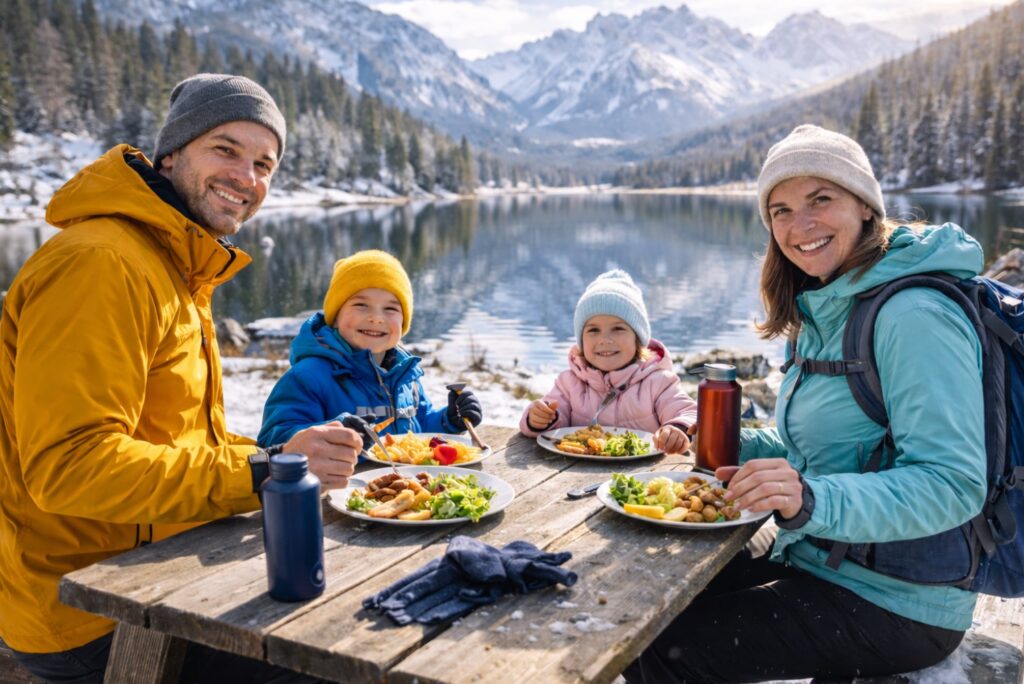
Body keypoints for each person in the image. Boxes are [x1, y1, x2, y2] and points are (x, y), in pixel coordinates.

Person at [0, 74, 363, 683]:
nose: (246, 178)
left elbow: (178, 440)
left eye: (263, 163)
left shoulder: (173, 263)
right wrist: (263, 473)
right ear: (172, 153)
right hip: (87, 610)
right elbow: (70, 467)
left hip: (157, 565)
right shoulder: (101, 264)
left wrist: (286, 456)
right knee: (341, 660)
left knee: (363, 600)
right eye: (226, 150)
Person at [624, 124, 987, 682]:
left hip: (901, 600)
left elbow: (953, 483)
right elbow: (818, 445)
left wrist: (810, 498)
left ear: (866, 206)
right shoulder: (826, 305)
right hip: (820, 554)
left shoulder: (913, 316)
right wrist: (727, 442)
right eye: (781, 210)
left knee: (670, 647)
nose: (801, 226)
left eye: (822, 199)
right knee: (652, 590)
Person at [258, 249, 483, 449]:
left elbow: (420, 428)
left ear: (404, 322)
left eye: (390, 309)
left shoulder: (404, 376)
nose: (376, 318)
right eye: (361, 305)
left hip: (401, 490)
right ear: (335, 317)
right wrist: (334, 433)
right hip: (335, 491)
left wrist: (449, 421)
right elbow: (273, 441)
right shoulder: (307, 377)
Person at [519, 269, 696, 454]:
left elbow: (688, 412)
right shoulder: (569, 383)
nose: (604, 339)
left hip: (641, 475)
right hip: (573, 473)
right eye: (593, 330)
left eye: (618, 328)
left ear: (638, 339)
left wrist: (678, 429)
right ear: (581, 341)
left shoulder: (659, 382)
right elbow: (551, 423)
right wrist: (538, 419)